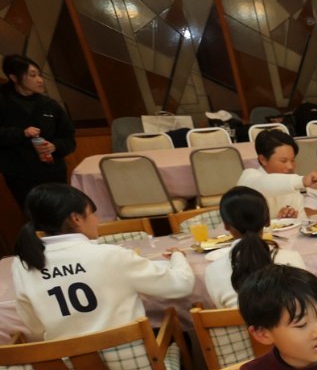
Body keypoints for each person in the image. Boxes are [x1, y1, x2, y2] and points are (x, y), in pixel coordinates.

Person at [12, 184, 193, 341]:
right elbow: (180, 285)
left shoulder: (22, 264)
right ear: (76, 218)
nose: (96, 220)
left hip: (70, 365)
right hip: (128, 358)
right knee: (178, 332)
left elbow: (35, 328)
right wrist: (178, 257)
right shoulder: (110, 255)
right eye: (92, 213)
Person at [204, 187, 306, 309]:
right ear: (268, 221)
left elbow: (222, 311)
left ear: (226, 225)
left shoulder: (213, 271)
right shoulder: (292, 259)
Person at [0, 55, 75, 220]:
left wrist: (54, 146)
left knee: (62, 215)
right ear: (14, 77)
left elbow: (69, 139)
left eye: (40, 75)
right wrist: (21, 133)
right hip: (20, 174)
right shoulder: (3, 101)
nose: (40, 80)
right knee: (36, 218)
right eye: (33, 75)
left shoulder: (50, 105)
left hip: (53, 172)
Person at [236, 130, 317, 219]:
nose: (290, 166)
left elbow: (302, 220)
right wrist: (302, 181)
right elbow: (265, 184)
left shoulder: (292, 185)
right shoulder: (249, 177)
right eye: (283, 161)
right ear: (263, 159)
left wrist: (290, 220)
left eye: (292, 160)